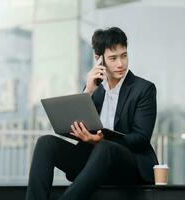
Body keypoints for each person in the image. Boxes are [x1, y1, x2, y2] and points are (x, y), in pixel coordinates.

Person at [26, 27, 158, 200]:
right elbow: (78, 124)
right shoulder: (95, 89)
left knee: (105, 147)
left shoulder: (144, 89)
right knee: (46, 143)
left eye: (124, 56)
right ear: (99, 59)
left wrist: (101, 140)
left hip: (127, 165)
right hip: (93, 164)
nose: (121, 64)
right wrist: (88, 90)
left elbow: (140, 138)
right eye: (113, 58)